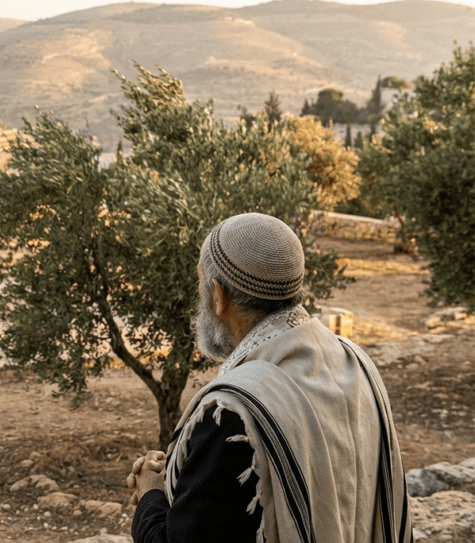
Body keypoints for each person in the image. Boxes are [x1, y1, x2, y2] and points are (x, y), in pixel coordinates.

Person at [127, 213, 412, 543]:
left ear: (219, 297)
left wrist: (151, 494)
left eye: (200, 283)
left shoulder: (233, 412)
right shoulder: (356, 362)